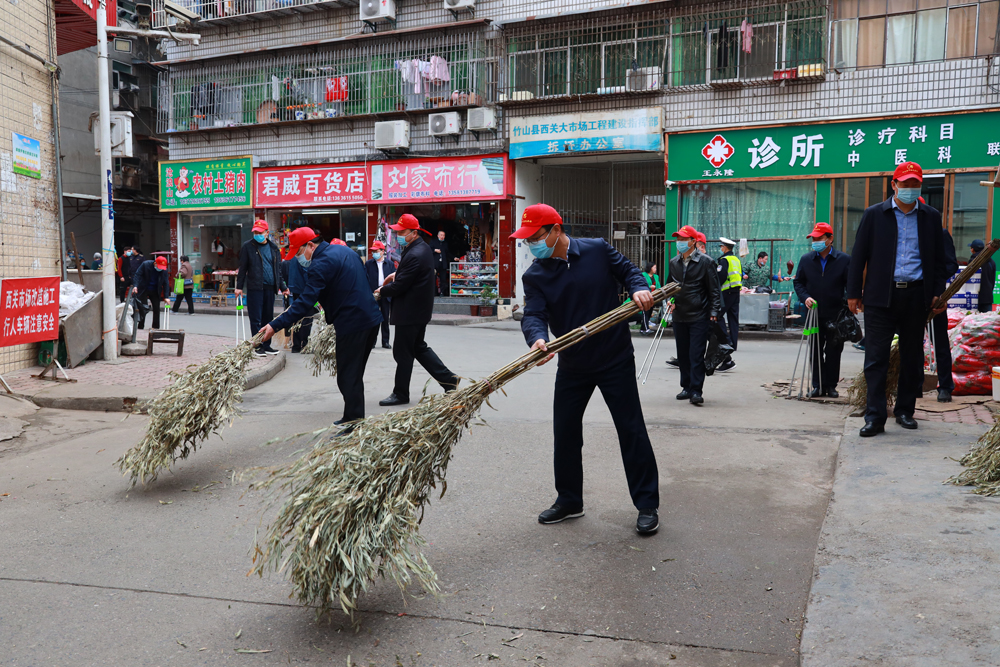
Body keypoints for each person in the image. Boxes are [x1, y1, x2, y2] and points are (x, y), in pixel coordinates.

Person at [514, 203, 660, 535]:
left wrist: (639, 287)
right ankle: (569, 500)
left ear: (556, 230)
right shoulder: (534, 275)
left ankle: (647, 503)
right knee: (565, 432)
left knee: (631, 430)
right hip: (573, 364)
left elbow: (628, 270)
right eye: (526, 240)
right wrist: (537, 340)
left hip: (615, 358)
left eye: (535, 237)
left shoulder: (596, 249)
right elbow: (534, 314)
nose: (531, 244)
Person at [847, 161, 949, 437]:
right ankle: (875, 416)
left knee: (911, 357)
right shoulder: (874, 215)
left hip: (917, 296)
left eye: (915, 184)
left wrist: (938, 291)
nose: (910, 188)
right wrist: (853, 293)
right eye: (905, 184)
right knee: (876, 358)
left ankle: (905, 410)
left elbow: (940, 262)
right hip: (881, 296)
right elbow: (859, 256)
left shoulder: (930, 216)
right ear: (894, 185)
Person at [260, 231, 382, 425]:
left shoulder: (320, 264)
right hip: (371, 319)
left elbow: (304, 302)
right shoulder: (345, 252)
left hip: (352, 323)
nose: (299, 259)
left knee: (347, 376)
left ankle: (354, 423)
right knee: (354, 374)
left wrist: (275, 325)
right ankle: (351, 416)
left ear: (310, 245)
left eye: (299, 252)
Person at [376, 214, 460, 407]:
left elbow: (401, 286)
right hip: (416, 310)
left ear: (414, 233)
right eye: (396, 231)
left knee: (403, 352)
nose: (398, 235)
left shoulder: (416, 252)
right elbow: (409, 275)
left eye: (401, 232)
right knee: (418, 348)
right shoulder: (419, 249)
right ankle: (449, 380)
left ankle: (400, 393)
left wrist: (381, 291)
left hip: (410, 311)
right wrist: (395, 275)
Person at [793, 223, 851, 399]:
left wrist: (850, 301)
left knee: (834, 351)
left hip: (836, 313)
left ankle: (831, 386)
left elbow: (850, 284)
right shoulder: (806, 260)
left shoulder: (843, 260)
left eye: (819, 238)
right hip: (813, 314)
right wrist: (805, 297)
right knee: (815, 350)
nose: (816, 241)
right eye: (814, 239)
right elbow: (798, 282)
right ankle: (817, 386)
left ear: (830, 239)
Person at [667, 225, 721, 405]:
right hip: (679, 315)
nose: (679, 243)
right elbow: (669, 288)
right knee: (682, 354)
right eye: (678, 239)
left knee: (696, 354)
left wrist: (714, 312)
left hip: (699, 314)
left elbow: (714, 290)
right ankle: (686, 387)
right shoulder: (674, 262)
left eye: (683, 239)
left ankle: (697, 390)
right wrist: (668, 301)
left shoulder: (706, 262)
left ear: (693, 242)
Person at [235, 220, 289, 358]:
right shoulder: (248, 247)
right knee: (256, 318)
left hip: (270, 288)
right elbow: (243, 268)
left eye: (260, 232)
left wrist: (283, 287)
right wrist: (239, 287)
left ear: (267, 233)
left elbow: (278, 270)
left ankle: (266, 345)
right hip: (255, 287)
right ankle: (257, 345)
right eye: (255, 232)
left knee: (268, 318)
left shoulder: (274, 248)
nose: (257, 235)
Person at [930, 229, 960, 402]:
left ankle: (945, 386)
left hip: (935, 297)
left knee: (940, 342)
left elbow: (951, 264)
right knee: (909, 344)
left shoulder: (939, 234)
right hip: (910, 297)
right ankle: (914, 384)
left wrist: (934, 283)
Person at [280, 228, 318, 353]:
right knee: (306, 319)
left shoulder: (292, 258)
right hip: (305, 292)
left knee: (296, 317)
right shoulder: (304, 258)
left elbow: (284, 274)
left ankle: (296, 345)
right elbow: (308, 276)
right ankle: (304, 344)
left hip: (295, 290)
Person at [365, 240, 395, 349]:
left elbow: (393, 279)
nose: (374, 254)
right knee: (373, 319)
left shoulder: (390, 264)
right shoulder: (369, 264)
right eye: (373, 252)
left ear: (382, 251)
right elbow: (365, 279)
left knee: (385, 318)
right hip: (373, 294)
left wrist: (388, 290)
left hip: (385, 293)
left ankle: (385, 341)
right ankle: (372, 341)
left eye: (376, 251)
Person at [131, 256, 170, 330]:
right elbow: (137, 275)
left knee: (156, 308)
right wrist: (135, 286)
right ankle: (140, 326)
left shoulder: (164, 270)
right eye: (159, 266)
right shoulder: (145, 265)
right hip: (144, 288)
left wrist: (166, 297)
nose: (160, 268)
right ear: (155, 263)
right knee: (142, 307)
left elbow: (166, 283)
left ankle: (155, 327)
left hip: (155, 290)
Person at [717, 237, 741, 351]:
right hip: (736, 291)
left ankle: (726, 340)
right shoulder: (736, 259)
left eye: (721, 246)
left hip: (727, 291)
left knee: (718, 315)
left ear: (725, 247)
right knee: (733, 318)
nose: (721, 248)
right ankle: (733, 344)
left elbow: (721, 276)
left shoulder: (724, 260)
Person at [970, 239, 996, 313]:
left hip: (974, 297)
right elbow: (992, 280)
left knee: (973, 322)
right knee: (987, 321)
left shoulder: (973, 261)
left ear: (972, 249)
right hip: (987, 297)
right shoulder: (991, 261)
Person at [429, 230, 454, 296]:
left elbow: (447, 253)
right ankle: (434, 293)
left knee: (443, 279)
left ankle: (442, 292)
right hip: (435, 264)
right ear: (438, 235)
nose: (442, 236)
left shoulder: (445, 244)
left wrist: (454, 258)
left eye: (443, 235)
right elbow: (428, 250)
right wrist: (435, 250)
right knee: (433, 279)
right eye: (441, 235)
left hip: (443, 264)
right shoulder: (433, 242)